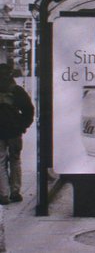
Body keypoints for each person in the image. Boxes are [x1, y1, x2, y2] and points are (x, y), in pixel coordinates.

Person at [0, 63, 34, 205]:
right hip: (14, 131)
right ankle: (15, 192)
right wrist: (23, 126)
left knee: (0, 162)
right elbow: (29, 110)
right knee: (15, 160)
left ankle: (3, 194)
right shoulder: (16, 90)